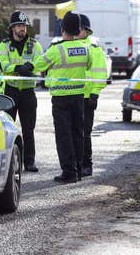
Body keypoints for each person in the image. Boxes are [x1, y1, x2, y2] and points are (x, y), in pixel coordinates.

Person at [26, 11, 91, 183]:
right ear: (77, 29)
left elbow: (38, 64)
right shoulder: (85, 48)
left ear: (62, 28)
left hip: (61, 98)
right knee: (78, 134)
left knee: (64, 136)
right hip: (78, 96)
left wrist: (26, 67)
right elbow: (89, 64)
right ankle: (77, 170)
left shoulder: (57, 49)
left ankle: (68, 172)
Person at [0, 11, 43, 172]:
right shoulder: (4, 45)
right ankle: (6, 162)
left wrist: (29, 67)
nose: (22, 29)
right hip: (11, 91)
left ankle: (29, 162)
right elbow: (3, 65)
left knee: (28, 129)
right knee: (7, 129)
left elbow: (40, 62)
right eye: (19, 26)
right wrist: (18, 68)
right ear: (12, 28)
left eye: (23, 26)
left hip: (28, 92)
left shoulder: (35, 45)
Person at [78, 14, 108, 177]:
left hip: (87, 97)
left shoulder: (94, 48)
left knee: (85, 133)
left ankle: (87, 165)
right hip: (73, 94)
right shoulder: (72, 44)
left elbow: (101, 73)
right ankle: (77, 164)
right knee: (74, 132)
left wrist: (95, 94)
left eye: (79, 29)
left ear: (85, 30)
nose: (77, 31)